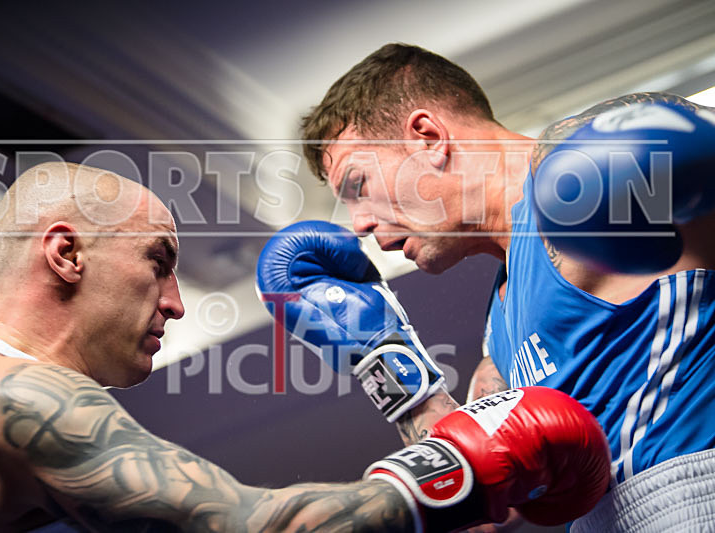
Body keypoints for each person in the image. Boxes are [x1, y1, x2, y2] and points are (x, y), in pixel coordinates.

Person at [0, 162, 609, 532]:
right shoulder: (14, 396)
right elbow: (261, 528)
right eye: (158, 260)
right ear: (66, 254)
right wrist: (459, 468)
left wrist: (414, 404)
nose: (176, 301)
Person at [294, 42, 715, 531]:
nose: (358, 223)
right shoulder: (499, 337)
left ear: (428, 137)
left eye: (357, 185)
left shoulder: (574, 169)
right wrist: (385, 361)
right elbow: (476, 516)